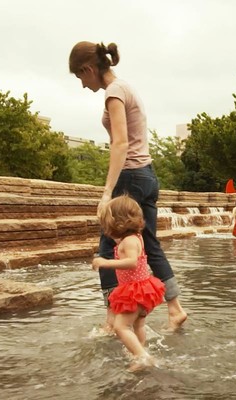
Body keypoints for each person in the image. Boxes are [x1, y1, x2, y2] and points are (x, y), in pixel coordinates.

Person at [69, 41, 187, 331]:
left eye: (80, 77)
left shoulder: (113, 92)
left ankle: (113, 317)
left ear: (88, 69)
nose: (83, 85)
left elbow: (120, 142)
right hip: (147, 175)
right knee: (150, 244)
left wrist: (107, 193)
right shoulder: (126, 87)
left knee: (108, 245)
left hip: (129, 178)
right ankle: (175, 308)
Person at [92, 195, 165, 369]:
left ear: (118, 224)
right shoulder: (133, 237)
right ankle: (138, 353)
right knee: (139, 325)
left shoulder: (130, 241)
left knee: (120, 326)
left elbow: (132, 262)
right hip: (143, 289)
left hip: (135, 291)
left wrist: (105, 262)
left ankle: (142, 357)